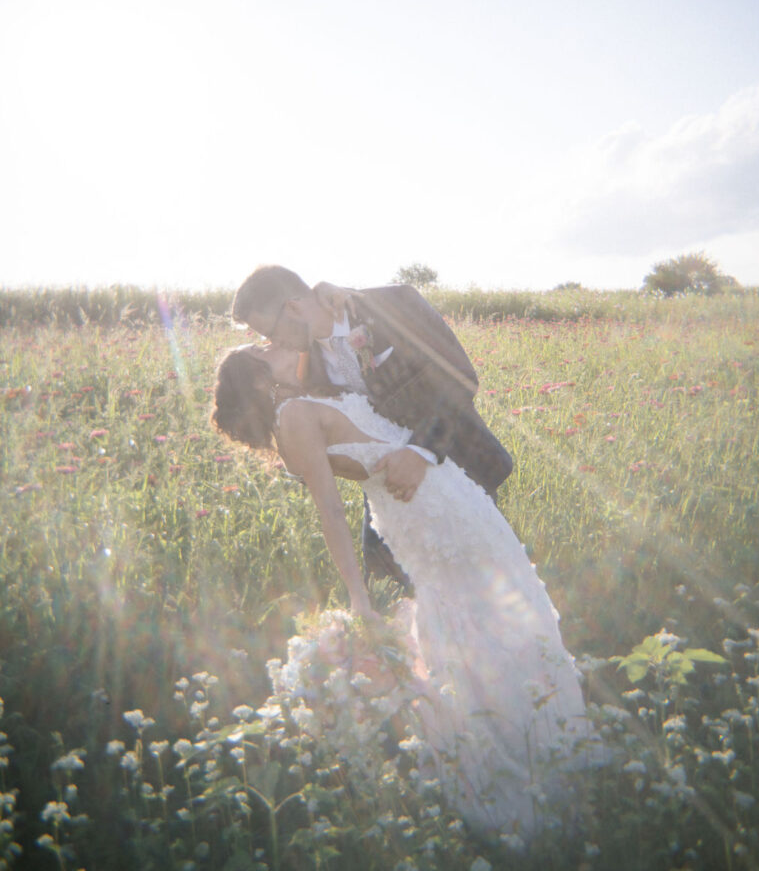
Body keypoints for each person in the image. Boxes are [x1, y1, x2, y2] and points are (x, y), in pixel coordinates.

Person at [210, 343, 592, 835]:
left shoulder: (311, 397)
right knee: (477, 624)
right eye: (264, 350)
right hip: (424, 515)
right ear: (260, 381)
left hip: (448, 492)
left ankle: (552, 751)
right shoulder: (295, 417)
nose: (277, 345)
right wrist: (358, 595)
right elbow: (329, 510)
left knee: (510, 604)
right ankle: (511, 778)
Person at [231, 265, 514, 584]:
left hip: (457, 467)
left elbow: (458, 379)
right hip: (391, 495)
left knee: (482, 583)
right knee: (388, 592)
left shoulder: (394, 304)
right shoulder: (305, 368)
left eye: (269, 331)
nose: (271, 341)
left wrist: (419, 452)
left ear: (293, 308)